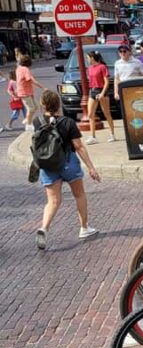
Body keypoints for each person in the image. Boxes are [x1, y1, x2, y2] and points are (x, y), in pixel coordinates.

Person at [34, 90, 101, 250]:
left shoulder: (37, 121)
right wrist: (91, 167)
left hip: (48, 165)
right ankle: (84, 228)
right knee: (79, 194)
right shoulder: (68, 122)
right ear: (58, 104)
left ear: (43, 105)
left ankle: (44, 228)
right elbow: (78, 146)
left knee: (53, 201)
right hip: (68, 162)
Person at [85, 51, 116, 144]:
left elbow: (106, 82)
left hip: (101, 90)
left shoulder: (102, 67)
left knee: (106, 113)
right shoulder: (89, 68)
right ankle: (93, 136)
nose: (87, 59)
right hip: (92, 90)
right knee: (90, 114)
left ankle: (112, 134)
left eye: (88, 57)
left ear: (92, 58)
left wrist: (102, 93)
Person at [15, 54, 45, 132]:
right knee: (31, 108)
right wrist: (42, 87)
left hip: (25, 91)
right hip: (24, 92)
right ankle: (28, 124)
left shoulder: (18, 68)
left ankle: (27, 119)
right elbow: (30, 80)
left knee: (35, 107)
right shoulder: (25, 69)